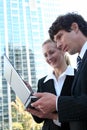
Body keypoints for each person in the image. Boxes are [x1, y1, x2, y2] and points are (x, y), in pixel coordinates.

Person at [28, 12, 87, 130]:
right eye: (45, 55)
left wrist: (57, 103)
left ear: (75, 27)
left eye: (60, 36)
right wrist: (30, 97)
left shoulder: (76, 72)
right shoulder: (81, 61)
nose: (59, 44)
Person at [27, 39, 75, 130]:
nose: (48, 57)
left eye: (51, 52)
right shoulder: (42, 82)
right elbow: (38, 119)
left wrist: (54, 116)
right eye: (45, 55)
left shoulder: (78, 76)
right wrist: (29, 96)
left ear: (63, 51)